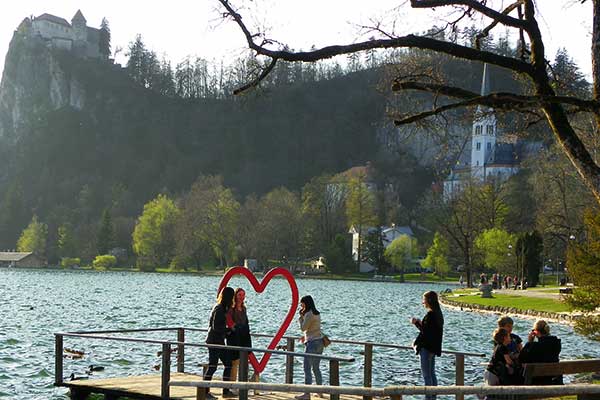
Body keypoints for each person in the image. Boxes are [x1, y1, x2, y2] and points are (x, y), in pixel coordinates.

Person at [204, 287, 236, 399]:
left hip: (219, 341)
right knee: (213, 366)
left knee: (228, 364)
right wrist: (228, 330)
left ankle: (225, 391)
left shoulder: (223, 308)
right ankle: (205, 392)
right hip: (214, 341)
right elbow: (216, 327)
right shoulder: (219, 309)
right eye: (232, 297)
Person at [412, 291, 444, 400]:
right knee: (432, 374)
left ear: (429, 301)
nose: (423, 302)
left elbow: (425, 332)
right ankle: (433, 397)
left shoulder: (430, 314)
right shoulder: (438, 314)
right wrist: (421, 323)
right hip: (433, 348)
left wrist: (416, 323)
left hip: (426, 348)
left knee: (427, 376)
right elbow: (431, 330)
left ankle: (428, 398)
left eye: (424, 300)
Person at [295, 295, 324, 400]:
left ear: (306, 303)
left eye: (302, 303)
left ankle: (307, 394)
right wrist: (305, 336)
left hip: (311, 343)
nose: (301, 305)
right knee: (316, 368)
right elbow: (313, 328)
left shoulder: (308, 314)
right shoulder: (317, 313)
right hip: (319, 342)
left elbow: (303, 328)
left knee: (307, 368)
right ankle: (320, 391)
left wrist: (300, 318)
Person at [519, 320, 563, 385]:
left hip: (537, 380)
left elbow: (521, 359)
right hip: (554, 379)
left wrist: (529, 342)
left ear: (536, 332)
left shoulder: (534, 346)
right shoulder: (556, 344)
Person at [227, 288, 252, 381]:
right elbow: (229, 322)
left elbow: (246, 322)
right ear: (235, 296)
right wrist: (236, 329)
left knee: (244, 361)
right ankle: (232, 384)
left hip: (244, 337)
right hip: (234, 337)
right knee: (234, 362)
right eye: (239, 295)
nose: (241, 297)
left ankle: (242, 383)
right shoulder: (231, 309)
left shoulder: (244, 309)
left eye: (243, 295)